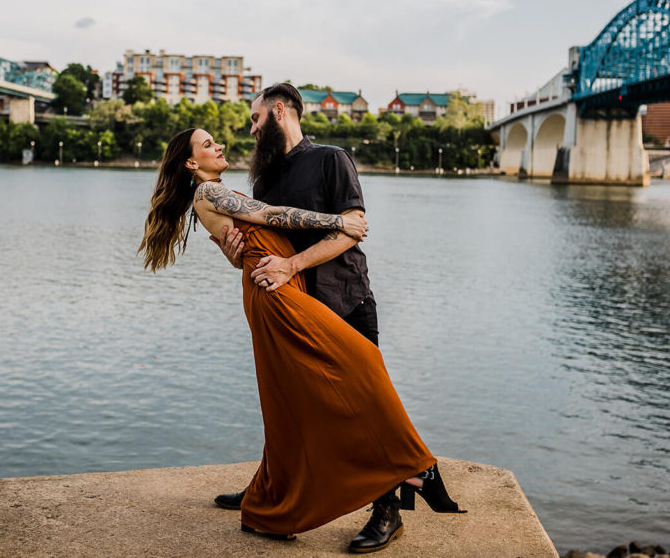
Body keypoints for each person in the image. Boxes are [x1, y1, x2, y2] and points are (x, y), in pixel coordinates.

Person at [139, 127, 466, 553]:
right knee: (361, 362)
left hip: (281, 291)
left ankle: (273, 499)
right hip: (275, 297)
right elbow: (273, 215)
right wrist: (340, 221)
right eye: (207, 144)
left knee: (291, 398)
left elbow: (253, 230)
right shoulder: (208, 195)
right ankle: (419, 471)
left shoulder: (219, 192)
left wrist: (237, 247)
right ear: (190, 163)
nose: (219, 145)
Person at [213, 82, 396, 548]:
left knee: (367, 403)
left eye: (255, 120)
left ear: (279, 111)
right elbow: (262, 242)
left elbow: (352, 230)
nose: (252, 130)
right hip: (296, 307)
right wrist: (234, 252)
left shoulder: (331, 158)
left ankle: (388, 511)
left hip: (346, 299)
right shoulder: (265, 180)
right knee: (288, 401)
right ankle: (270, 489)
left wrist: (293, 264)